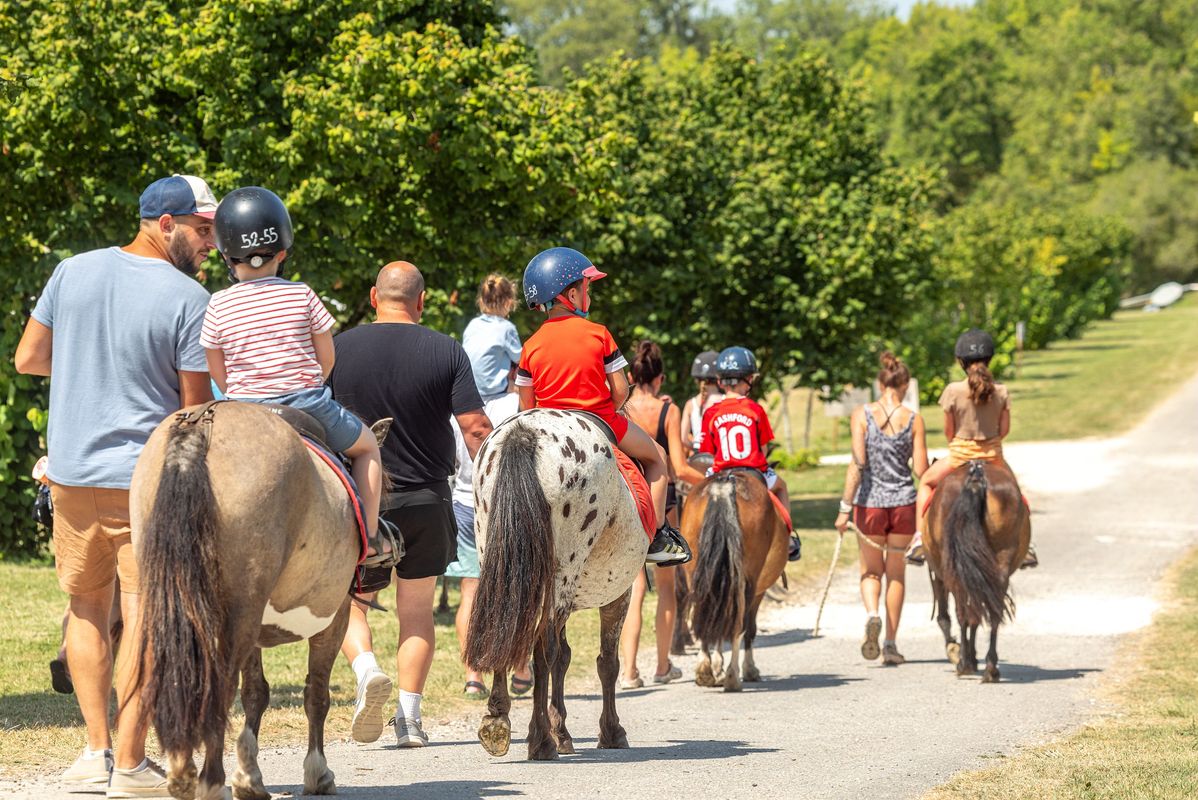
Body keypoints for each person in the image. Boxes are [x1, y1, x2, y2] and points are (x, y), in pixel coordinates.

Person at [15, 174, 219, 797]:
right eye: (202, 229)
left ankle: (95, 752)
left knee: (86, 610)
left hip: (71, 476)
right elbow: (192, 410)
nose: (211, 242)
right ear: (165, 223)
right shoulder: (190, 298)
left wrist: (87, 360)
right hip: (143, 483)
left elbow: (28, 357)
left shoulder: (70, 272)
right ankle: (131, 765)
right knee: (150, 619)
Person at [329, 261, 494, 748]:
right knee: (417, 610)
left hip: (361, 502)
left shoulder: (337, 348)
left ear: (374, 296)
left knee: (348, 605)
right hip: (428, 498)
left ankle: (366, 672)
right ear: (421, 302)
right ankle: (410, 721)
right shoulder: (446, 349)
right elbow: (476, 429)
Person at [201, 187, 399, 571]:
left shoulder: (218, 303)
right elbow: (327, 358)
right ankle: (370, 539)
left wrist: (243, 391)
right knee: (367, 449)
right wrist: (306, 383)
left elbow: (217, 369)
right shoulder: (303, 294)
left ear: (226, 255)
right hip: (306, 404)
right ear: (283, 251)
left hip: (242, 410)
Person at [515, 246, 689, 566]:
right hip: (601, 421)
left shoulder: (530, 346)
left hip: (549, 427)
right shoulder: (599, 334)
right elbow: (621, 390)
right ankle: (656, 536)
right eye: (587, 288)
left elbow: (526, 406)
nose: (589, 296)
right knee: (658, 457)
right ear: (570, 294)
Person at [906, 329, 1038, 569]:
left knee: (925, 483)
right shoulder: (1001, 391)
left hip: (959, 457)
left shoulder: (952, 391)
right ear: (990, 358)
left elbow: (949, 431)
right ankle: (1025, 544)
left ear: (960, 361)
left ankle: (918, 539)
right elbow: (1004, 429)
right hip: (993, 457)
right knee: (1017, 494)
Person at [619, 341, 707, 688]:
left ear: (632, 375)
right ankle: (661, 665)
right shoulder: (668, 411)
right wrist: (711, 480)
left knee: (634, 587)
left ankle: (627, 672)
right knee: (667, 587)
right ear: (660, 378)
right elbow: (680, 467)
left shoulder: (621, 408)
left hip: (627, 499)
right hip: (661, 506)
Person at [834, 352, 928, 665]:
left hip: (869, 504)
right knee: (896, 575)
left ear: (880, 382)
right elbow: (921, 468)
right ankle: (889, 643)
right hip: (903, 504)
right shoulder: (914, 420)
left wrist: (845, 508)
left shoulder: (861, 415)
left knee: (870, 571)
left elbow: (859, 463)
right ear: (904, 384)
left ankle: (872, 614)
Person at [446, 367, 534, 699]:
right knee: (517, 588)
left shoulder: (459, 406)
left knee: (470, 591)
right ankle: (522, 666)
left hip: (465, 503)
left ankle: (473, 675)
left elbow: (453, 460)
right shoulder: (515, 404)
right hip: (506, 505)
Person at [699, 346, 802, 562]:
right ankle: (788, 536)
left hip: (720, 471)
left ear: (720, 381)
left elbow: (707, 452)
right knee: (782, 486)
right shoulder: (755, 409)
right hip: (751, 471)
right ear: (747, 379)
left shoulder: (710, 412)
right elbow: (763, 449)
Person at [462, 273, 522, 402]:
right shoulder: (506, 328)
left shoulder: (473, 325)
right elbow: (520, 358)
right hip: (494, 390)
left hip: (469, 388)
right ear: (509, 302)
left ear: (482, 301)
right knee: (522, 387)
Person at [679, 350, 724, 454]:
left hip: (698, 456)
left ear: (696, 380)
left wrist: (696, 449)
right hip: (719, 455)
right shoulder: (726, 400)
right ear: (719, 378)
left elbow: (683, 438)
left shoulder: (691, 404)